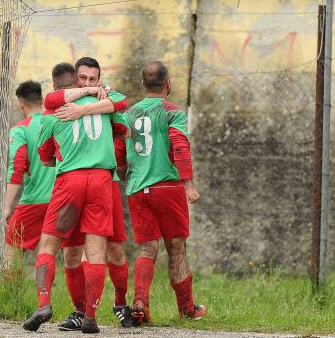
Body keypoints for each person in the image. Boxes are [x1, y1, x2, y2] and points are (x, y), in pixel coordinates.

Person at [22, 62, 128, 334]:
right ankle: (90, 316)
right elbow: (123, 127)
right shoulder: (106, 104)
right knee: (96, 252)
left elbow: (45, 157)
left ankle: (44, 304)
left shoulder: (52, 114)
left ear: (56, 85)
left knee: (48, 246)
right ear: (77, 80)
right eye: (83, 78)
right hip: (102, 181)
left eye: (92, 79)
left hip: (69, 182)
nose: (88, 83)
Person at [118, 61, 207, 324]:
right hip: (168, 187)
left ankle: (140, 303)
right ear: (168, 83)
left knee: (146, 248)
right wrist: (188, 184)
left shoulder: (129, 114)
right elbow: (180, 146)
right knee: (176, 247)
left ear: (142, 84)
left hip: (137, 189)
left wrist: (126, 179)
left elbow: (119, 153)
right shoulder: (173, 112)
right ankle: (187, 309)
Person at [2, 81, 53, 273]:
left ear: (21, 104)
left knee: (12, 248)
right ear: (42, 100)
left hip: (35, 199)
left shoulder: (21, 130)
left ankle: (10, 289)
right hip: (64, 197)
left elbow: (17, 167)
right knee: (64, 251)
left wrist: (7, 206)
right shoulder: (58, 122)